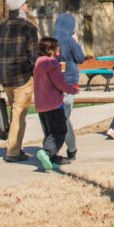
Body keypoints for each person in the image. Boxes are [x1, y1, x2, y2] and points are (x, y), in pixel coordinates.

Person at [0, 0, 39, 162]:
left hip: (5, 79)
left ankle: (17, 148)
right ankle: (12, 152)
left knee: (16, 113)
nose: (27, 6)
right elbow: (34, 56)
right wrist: (37, 74)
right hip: (24, 78)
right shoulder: (29, 28)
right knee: (18, 115)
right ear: (20, 7)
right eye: (25, 4)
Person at [33, 36, 78, 171]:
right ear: (51, 49)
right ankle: (46, 152)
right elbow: (59, 83)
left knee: (49, 133)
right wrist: (71, 90)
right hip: (54, 104)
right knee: (60, 131)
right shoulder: (53, 64)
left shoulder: (37, 64)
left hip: (41, 105)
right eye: (57, 47)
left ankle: (51, 159)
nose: (59, 49)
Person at [53, 12, 85, 160]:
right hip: (70, 82)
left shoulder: (51, 40)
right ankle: (71, 148)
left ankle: (54, 147)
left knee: (56, 116)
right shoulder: (69, 41)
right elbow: (80, 58)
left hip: (53, 83)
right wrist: (76, 42)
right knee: (65, 117)